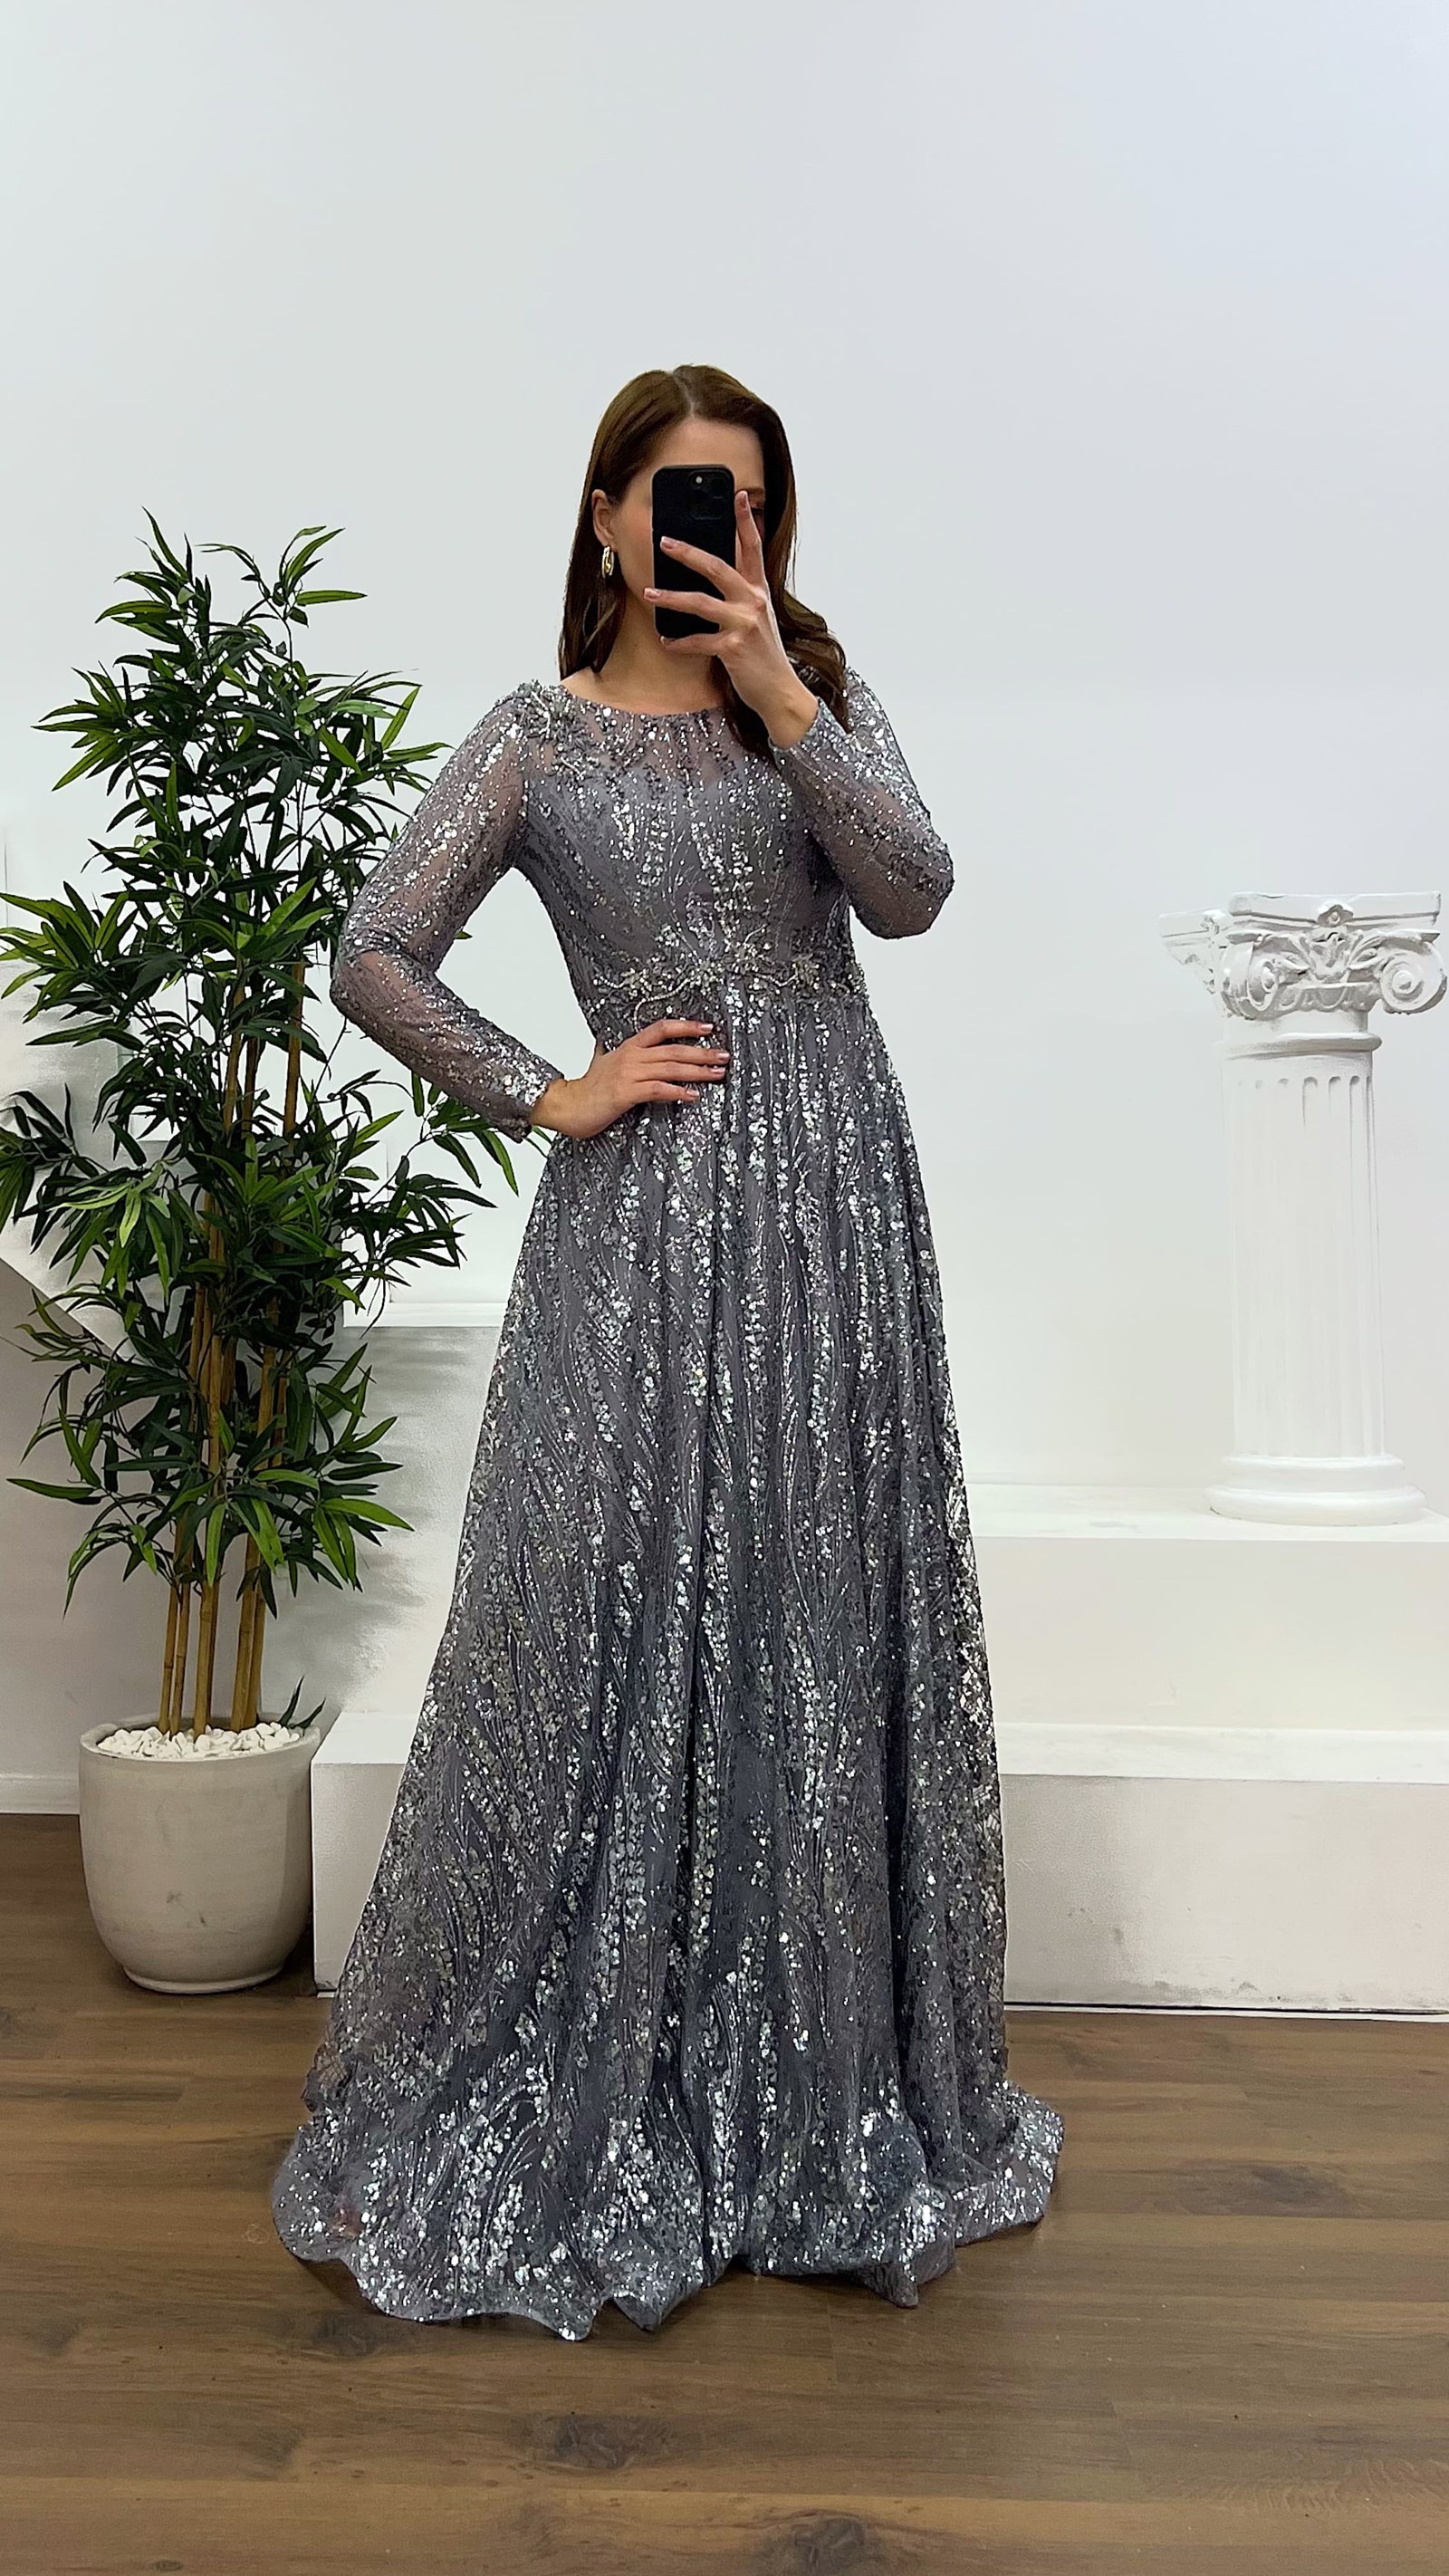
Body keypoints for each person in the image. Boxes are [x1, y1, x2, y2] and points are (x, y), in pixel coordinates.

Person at [270, 363, 1064, 2339]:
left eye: (756, 506)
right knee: (599, 1596)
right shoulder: (535, 738)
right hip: (640, 1215)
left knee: (814, 1597)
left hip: (834, 1210)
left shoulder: (818, 696)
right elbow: (373, 948)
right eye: (694, 498)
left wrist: (783, 694)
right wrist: (548, 1087)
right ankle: (600, 2038)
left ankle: (814, 2067)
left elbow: (914, 894)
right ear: (608, 514)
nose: (728, 533)